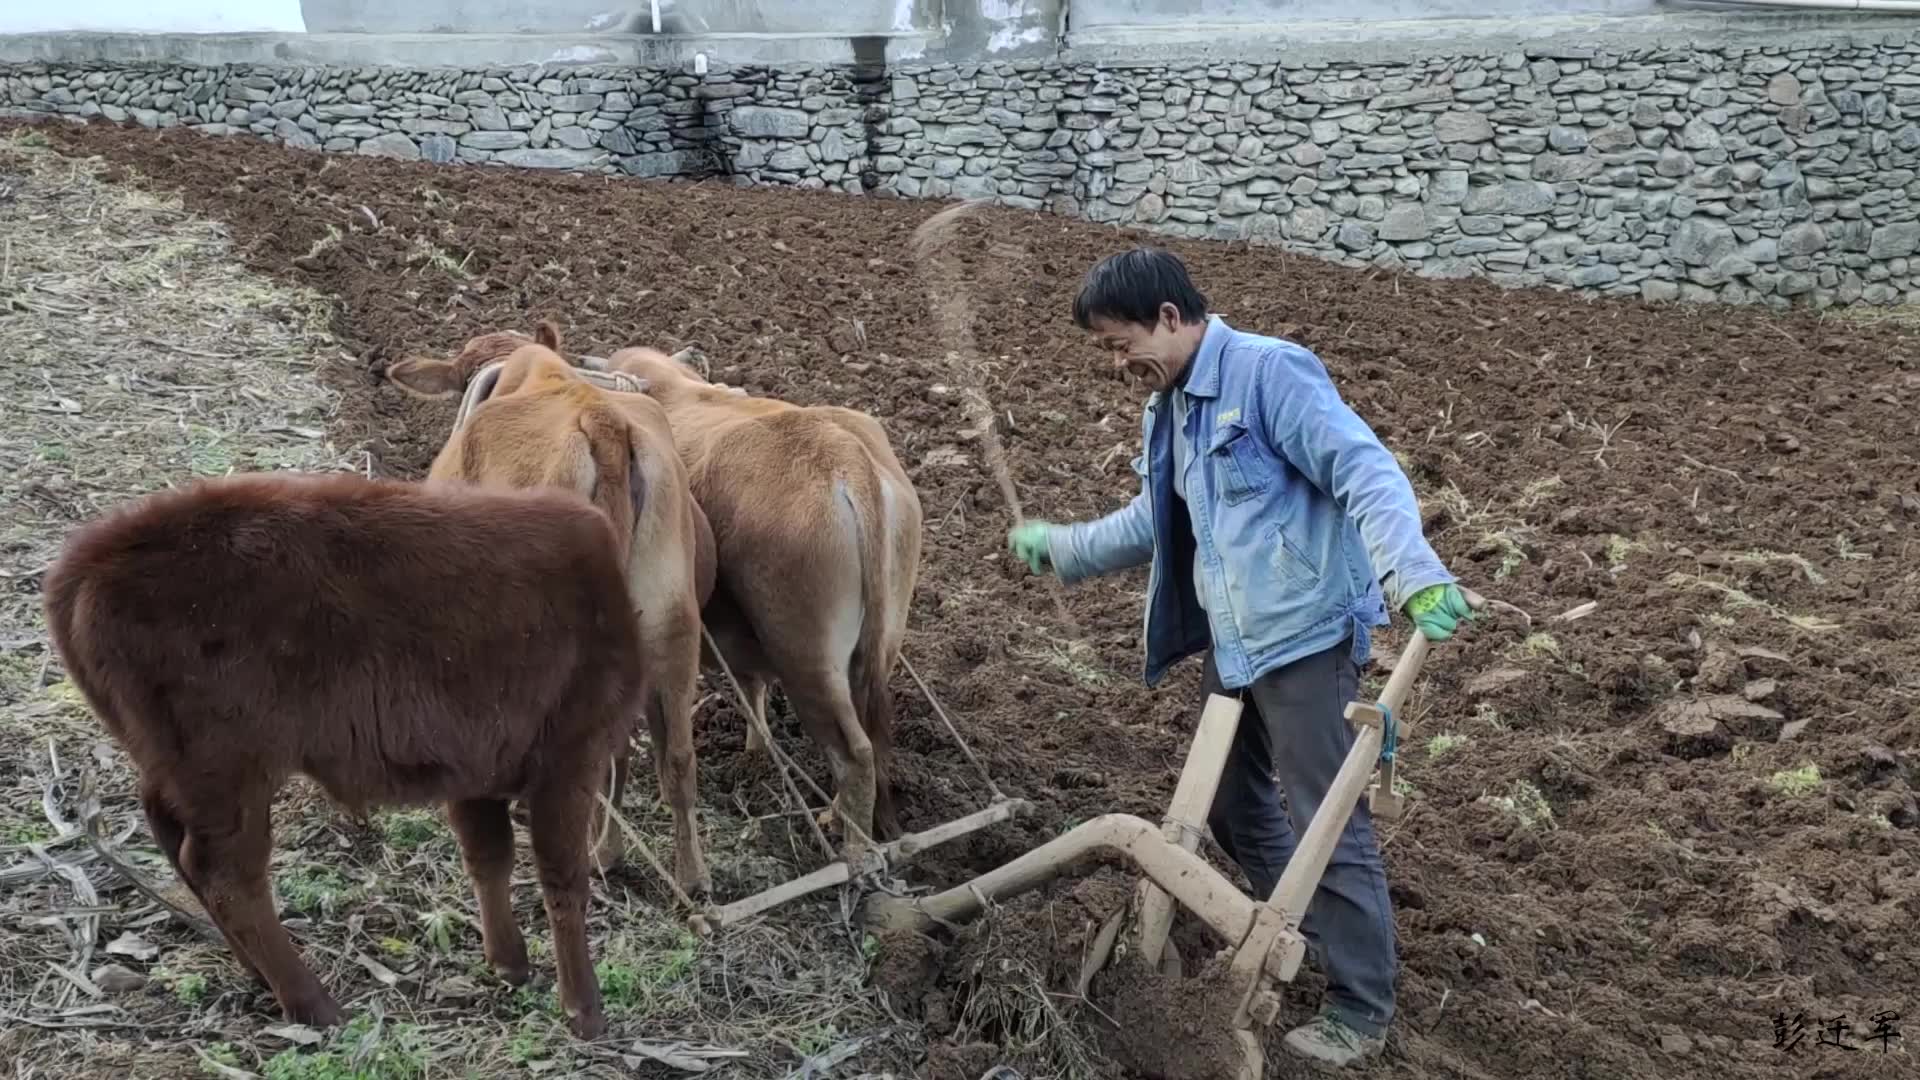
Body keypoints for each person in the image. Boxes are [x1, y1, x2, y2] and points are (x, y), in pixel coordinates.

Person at [1006, 247, 1474, 1067]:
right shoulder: (1173, 406)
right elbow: (1157, 520)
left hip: (1306, 637)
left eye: (1123, 344)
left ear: (1171, 318)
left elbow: (1364, 470)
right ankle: (1288, 926)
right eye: (1106, 352)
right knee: (1227, 803)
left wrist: (1413, 572)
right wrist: (1067, 548)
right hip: (1237, 638)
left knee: (1327, 820)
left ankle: (1360, 1006)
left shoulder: (1269, 374)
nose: (1119, 365)